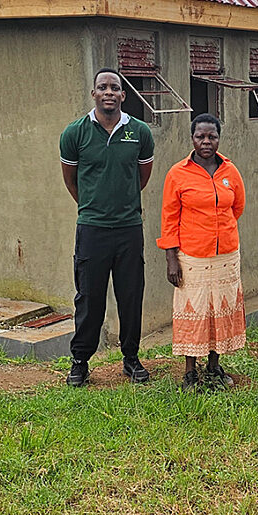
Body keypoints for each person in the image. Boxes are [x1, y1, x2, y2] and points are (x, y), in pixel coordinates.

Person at [59, 68, 155, 387]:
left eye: (115, 87)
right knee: (89, 298)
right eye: (103, 87)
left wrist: (121, 203)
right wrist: (93, 206)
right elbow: (71, 181)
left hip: (129, 228)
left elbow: (142, 177)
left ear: (123, 96)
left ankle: (131, 358)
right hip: (92, 229)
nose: (109, 92)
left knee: (130, 295)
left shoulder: (139, 132)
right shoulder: (75, 133)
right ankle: (80, 362)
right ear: (94, 94)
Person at [157, 113, 247, 391]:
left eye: (212, 136)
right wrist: (172, 258)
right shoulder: (178, 173)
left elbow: (237, 207)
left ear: (219, 138)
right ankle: (189, 372)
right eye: (200, 136)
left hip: (226, 256)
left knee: (219, 312)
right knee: (194, 312)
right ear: (192, 138)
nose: (206, 141)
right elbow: (169, 218)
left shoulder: (230, 171)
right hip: (192, 256)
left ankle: (214, 366)